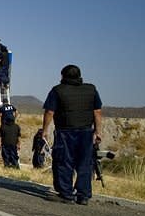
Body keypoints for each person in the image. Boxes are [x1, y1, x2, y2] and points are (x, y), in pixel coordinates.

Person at [42, 64, 103, 205]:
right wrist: (98, 131)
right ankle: (83, 195)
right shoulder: (91, 89)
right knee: (85, 163)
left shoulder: (57, 90)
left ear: (63, 76)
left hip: (65, 132)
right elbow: (97, 112)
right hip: (86, 131)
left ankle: (66, 194)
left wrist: (45, 130)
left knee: (64, 162)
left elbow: (49, 112)